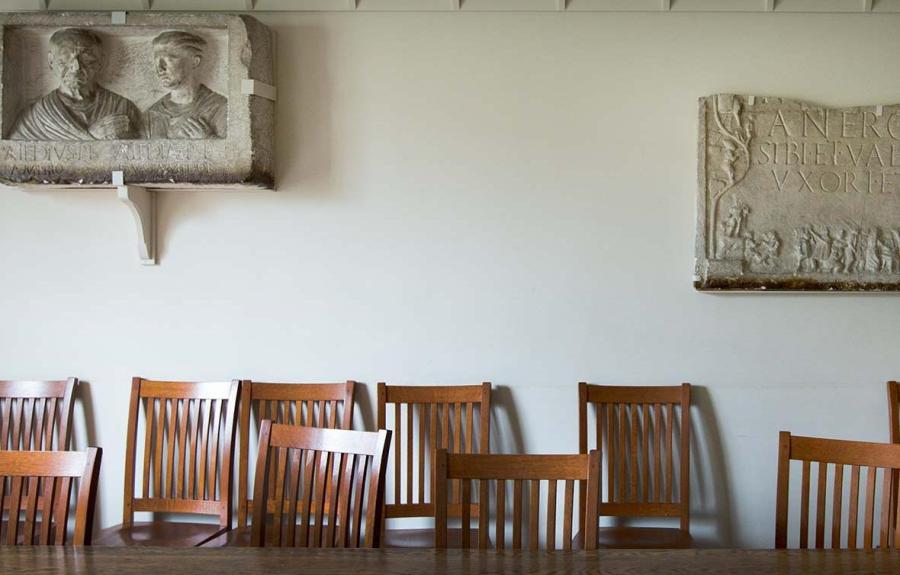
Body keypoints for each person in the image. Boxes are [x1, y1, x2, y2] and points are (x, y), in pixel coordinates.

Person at [10, 28, 140, 140]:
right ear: (51, 61)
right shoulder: (34, 119)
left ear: (100, 62)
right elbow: (14, 157)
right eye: (66, 57)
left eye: (86, 58)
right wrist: (91, 137)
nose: (76, 67)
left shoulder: (121, 108)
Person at [143, 31, 227, 139]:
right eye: (157, 60)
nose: (160, 68)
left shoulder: (220, 108)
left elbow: (238, 153)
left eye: (170, 59)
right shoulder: (151, 115)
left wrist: (209, 140)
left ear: (194, 62)